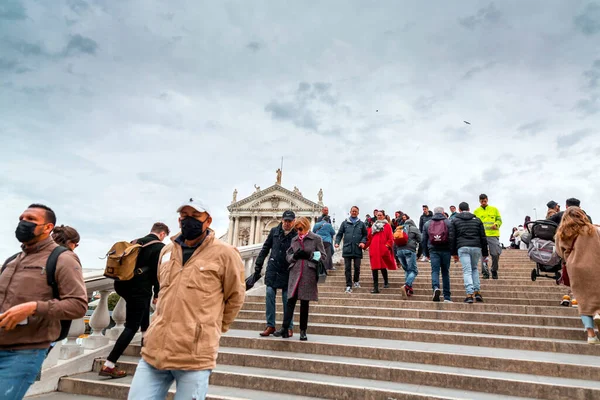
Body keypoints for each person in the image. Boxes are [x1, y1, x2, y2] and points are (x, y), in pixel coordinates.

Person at [128, 198, 244, 400]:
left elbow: (235, 297)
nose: (188, 221)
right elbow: (163, 289)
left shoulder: (226, 254)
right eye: (184, 216)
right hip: (155, 350)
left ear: (208, 220)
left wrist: (212, 327)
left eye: (195, 216)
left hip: (195, 355)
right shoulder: (167, 251)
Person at [0, 204, 87, 399]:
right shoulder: (12, 260)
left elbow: (78, 305)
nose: (23, 223)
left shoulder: (64, 259)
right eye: (21, 218)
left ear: (48, 227)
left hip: (23, 353)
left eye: (30, 219)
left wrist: (33, 308)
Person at [100, 222, 170, 378]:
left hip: (122, 286)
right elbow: (157, 274)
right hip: (139, 290)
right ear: (163, 234)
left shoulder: (135, 242)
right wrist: (157, 293)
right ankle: (109, 365)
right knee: (132, 326)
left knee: (144, 318)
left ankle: (146, 353)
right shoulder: (159, 247)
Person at [274, 217, 325, 341]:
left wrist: (310, 255)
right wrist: (294, 256)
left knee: (304, 303)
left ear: (306, 227)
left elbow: (323, 256)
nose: (298, 231)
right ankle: (284, 328)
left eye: (300, 229)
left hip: (308, 273)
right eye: (296, 229)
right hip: (295, 272)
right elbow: (288, 255)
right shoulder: (294, 239)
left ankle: (303, 331)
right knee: (290, 301)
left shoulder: (316, 239)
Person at [555, 207, 600, 344]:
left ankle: (591, 335)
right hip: (595, 265)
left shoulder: (561, 233)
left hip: (575, 269)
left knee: (582, 300)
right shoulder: (592, 229)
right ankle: (598, 313)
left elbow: (559, 252)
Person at [253, 210, 297, 337]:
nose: (287, 223)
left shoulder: (295, 235)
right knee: (269, 294)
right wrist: (258, 265)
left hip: (287, 269)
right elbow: (265, 248)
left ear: (293, 221)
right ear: (282, 220)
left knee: (286, 299)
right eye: (285, 220)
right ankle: (270, 325)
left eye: (290, 221)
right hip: (273, 268)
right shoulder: (274, 231)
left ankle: (288, 326)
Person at [451, 202, 489, 304]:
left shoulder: (455, 220)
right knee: (474, 268)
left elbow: (452, 238)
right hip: (476, 247)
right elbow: (483, 237)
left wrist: (454, 253)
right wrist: (485, 253)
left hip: (462, 247)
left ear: (459, 210)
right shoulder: (477, 220)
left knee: (467, 271)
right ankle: (477, 292)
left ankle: (469, 294)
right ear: (469, 209)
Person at [421, 207, 455, 302]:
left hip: (433, 250)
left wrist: (425, 253)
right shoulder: (448, 222)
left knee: (435, 271)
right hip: (446, 250)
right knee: (445, 272)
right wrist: (453, 251)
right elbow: (452, 237)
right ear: (443, 212)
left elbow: (423, 239)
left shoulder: (427, 223)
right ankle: (447, 297)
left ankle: (435, 288)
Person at [335, 206, 368, 294]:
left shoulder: (361, 224)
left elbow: (365, 235)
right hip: (347, 248)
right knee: (347, 268)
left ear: (358, 213)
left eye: (355, 211)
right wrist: (337, 242)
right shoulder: (344, 223)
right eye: (353, 211)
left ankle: (356, 281)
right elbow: (339, 234)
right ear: (350, 212)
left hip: (357, 248)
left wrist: (363, 242)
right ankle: (348, 285)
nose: (354, 212)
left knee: (357, 267)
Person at [473, 194, 502, 279]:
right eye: (482, 201)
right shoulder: (476, 211)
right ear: (479, 201)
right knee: (484, 255)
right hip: (482, 236)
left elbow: (499, 220)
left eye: (485, 201)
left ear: (487, 200)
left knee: (495, 254)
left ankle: (494, 269)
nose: (483, 202)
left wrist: (496, 224)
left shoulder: (494, 209)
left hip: (493, 235)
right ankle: (485, 272)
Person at [365, 211, 395, 293]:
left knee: (383, 266)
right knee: (374, 268)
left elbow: (390, 238)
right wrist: (364, 246)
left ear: (384, 216)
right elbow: (369, 238)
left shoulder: (387, 226)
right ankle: (376, 288)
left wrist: (387, 246)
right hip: (374, 249)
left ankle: (386, 282)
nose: (379, 216)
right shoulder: (373, 226)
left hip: (382, 249)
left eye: (380, 215)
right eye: (378, 215)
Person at [395, 215, 422, 299]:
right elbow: (421, 240)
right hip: (409, 251)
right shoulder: (414, 229)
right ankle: (406, 286)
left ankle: (408, 290)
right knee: (414, 271)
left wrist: (396, 258)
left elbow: (394, 243)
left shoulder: (399, 229)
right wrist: (419, 254)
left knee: (407, 270)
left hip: (399, 251)